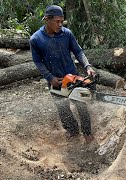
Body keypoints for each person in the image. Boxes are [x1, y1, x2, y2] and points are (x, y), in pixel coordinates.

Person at [30, 5, 96, 143]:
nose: (60, 24)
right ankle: (72, 131)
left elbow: (78, 51)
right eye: (57, 21)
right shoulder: (36, 39)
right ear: (47, 19)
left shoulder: (67, 34)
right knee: (63, 109)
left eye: (62, 21)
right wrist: (49, 77)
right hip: (56, 80)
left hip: (73, 77)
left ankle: (87, 132)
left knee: (81, 105)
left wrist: (88, 65)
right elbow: (37, 61)